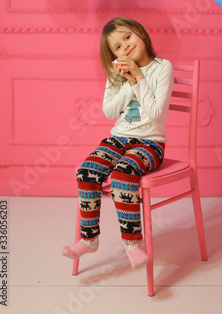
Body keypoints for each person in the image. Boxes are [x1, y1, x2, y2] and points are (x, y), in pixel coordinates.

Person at [61, 17, 174, 269]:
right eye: (118, 47)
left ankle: (132, 244)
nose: (125, 47)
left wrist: (137, 77)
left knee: (123, 174)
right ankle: (89, 239)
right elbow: (109, 112)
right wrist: (124, 82)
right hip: (118, 139)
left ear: (140, 32)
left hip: (149, 144)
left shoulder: (162, 67)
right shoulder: (117, 74)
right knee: (86, 172)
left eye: (127, 37)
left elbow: (156, 114)